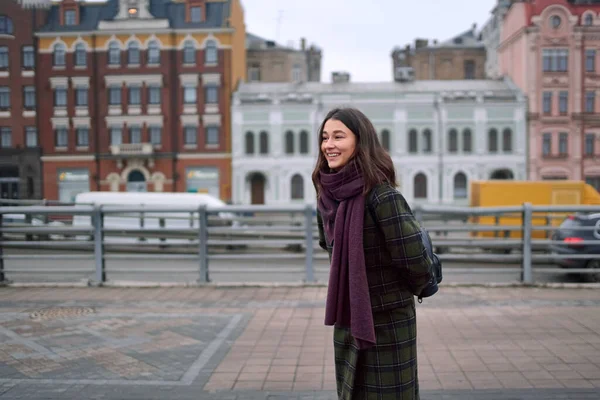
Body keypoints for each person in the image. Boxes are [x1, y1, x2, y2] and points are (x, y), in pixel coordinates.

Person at [312, 107, 433, 400]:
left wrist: (398, 292)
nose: (329, 145)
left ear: (360, 142)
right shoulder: (328, 198)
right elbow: (327, 247)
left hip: (388, 321)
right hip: (349, 318)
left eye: (339, 136)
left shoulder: (382, 196)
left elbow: (415, 259)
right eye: (325, 137)